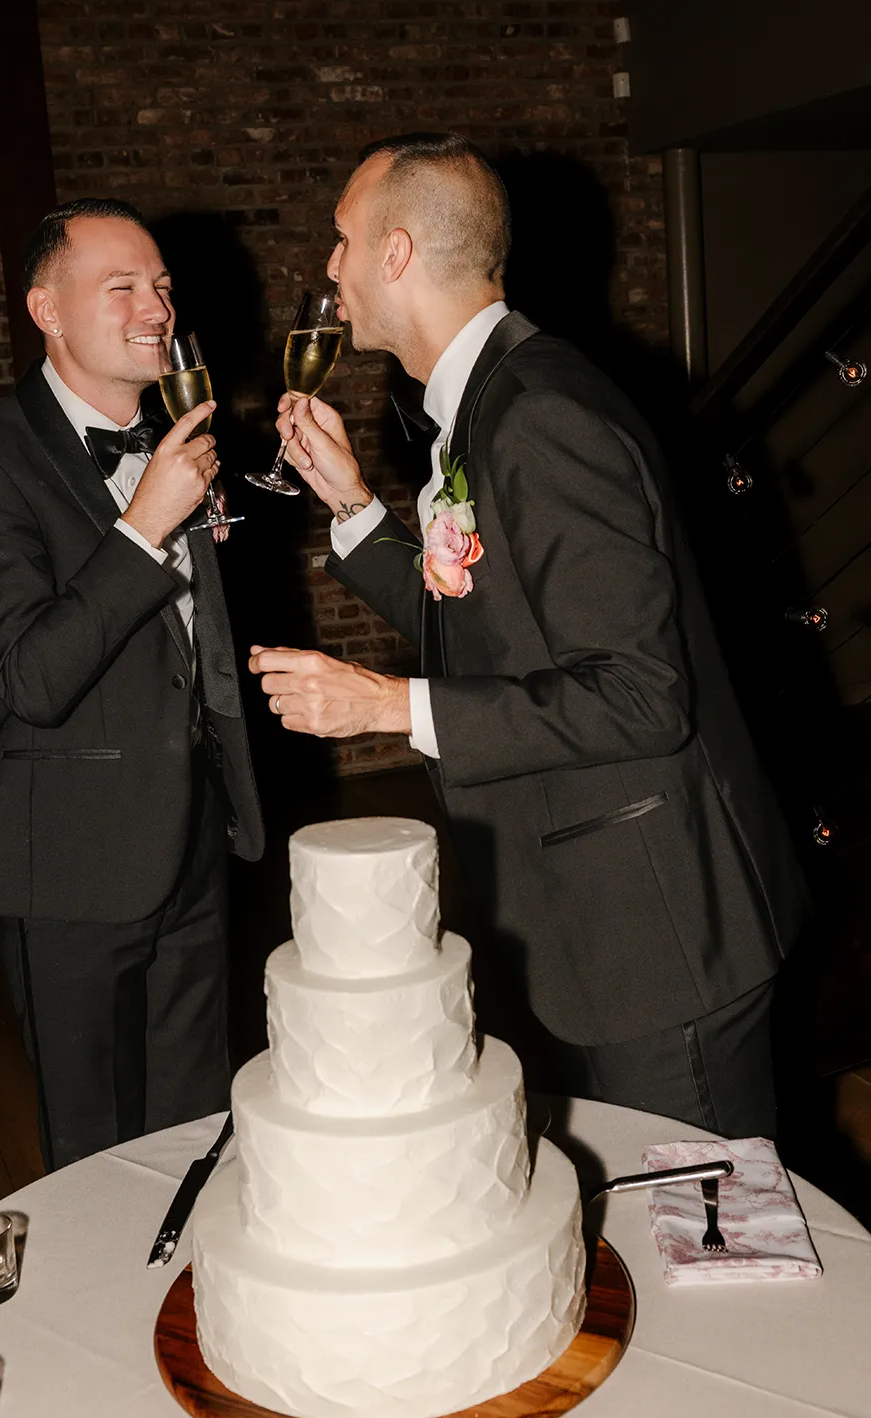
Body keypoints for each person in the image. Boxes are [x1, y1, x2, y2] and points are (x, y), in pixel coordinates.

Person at [250, 134, 807, 1138]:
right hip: (599, 923)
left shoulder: (538, 414)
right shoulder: (487, 400)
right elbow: (488, 625)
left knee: (719, 1243)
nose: (327, 267)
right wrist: (355, 510)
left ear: (397, 254)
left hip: (660, 935)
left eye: (341, 240)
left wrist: (385, 704)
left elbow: (640, 694)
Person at [0, 197, 263, 1169]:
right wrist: (146, 525)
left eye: (160, 285)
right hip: (69, 861)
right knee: (94, 1151)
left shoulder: (178, 443)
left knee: (196, 1131)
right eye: (121, 287)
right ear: (48, 311)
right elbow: (32, 676)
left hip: (194, 839)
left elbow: (180, 646)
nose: (154, 305)